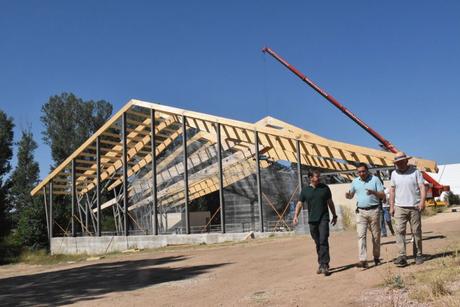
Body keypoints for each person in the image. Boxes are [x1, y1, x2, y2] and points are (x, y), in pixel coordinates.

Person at [293, 170, 338, 276]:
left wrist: (334, 215)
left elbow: (330, 202)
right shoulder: (305, 190)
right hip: (312, 220)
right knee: (317, 242)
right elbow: (299, 204)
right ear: (310, 178)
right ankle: (321, 263)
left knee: (323, 240)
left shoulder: (325, 188)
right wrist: (295, 216)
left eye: (319, 176)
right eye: (316, 176)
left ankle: (325, 264)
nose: (318, 178)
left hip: (324, 218)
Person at [389, 152, 426, 266]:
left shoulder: (416, 172)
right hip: (399, 207)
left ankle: (418, 255)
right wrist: (391, 206)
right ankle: (402, 256)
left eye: (400, 162)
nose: (398, 164)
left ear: (406, 161)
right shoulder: (394, 174)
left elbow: (422, 187)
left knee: (416, 232)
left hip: (414, 206)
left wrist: (422, 202)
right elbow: (392, 190)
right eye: (396, 163)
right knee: (399, 231)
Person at [345, 163, 385, 268]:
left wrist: (374, 192)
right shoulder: (355, 181)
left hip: (374, 211)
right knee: (361, 235)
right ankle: (363, 260)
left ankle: (376, 257)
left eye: (363, 171)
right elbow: (351, 195)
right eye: (359, 172)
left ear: (367, 171)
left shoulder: (375, 180)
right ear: (357, 172)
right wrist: (348, 195)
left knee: (376, 236)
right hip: (361, 212)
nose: (361, 173)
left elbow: (382, 195)